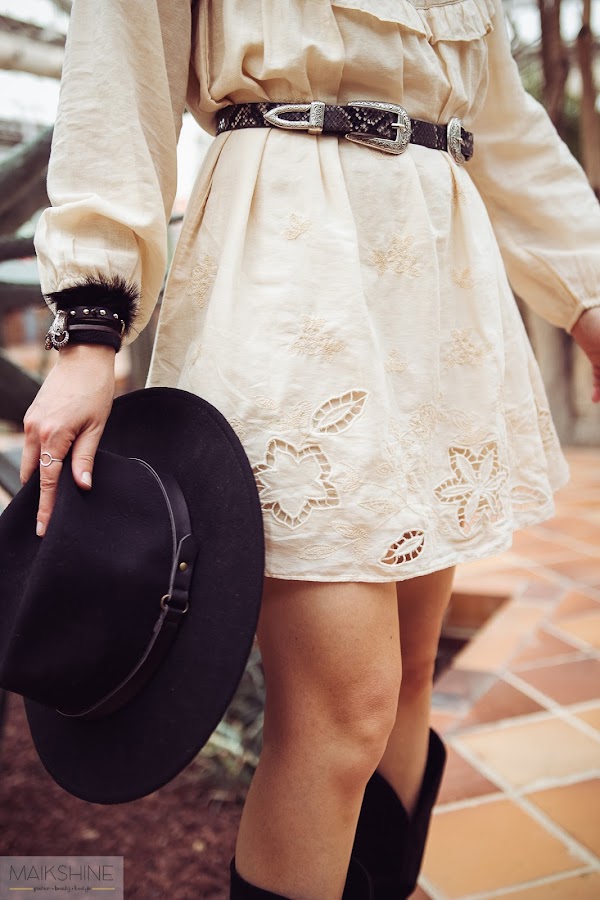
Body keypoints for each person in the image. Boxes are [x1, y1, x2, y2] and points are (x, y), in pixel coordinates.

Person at [22, 1, 600, 898]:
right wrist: (89, 325)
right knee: (345, 708)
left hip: (433, 283)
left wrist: (588, 293)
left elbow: (506, 124)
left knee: (409, 677)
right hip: (289, 267)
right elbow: (119, 66)